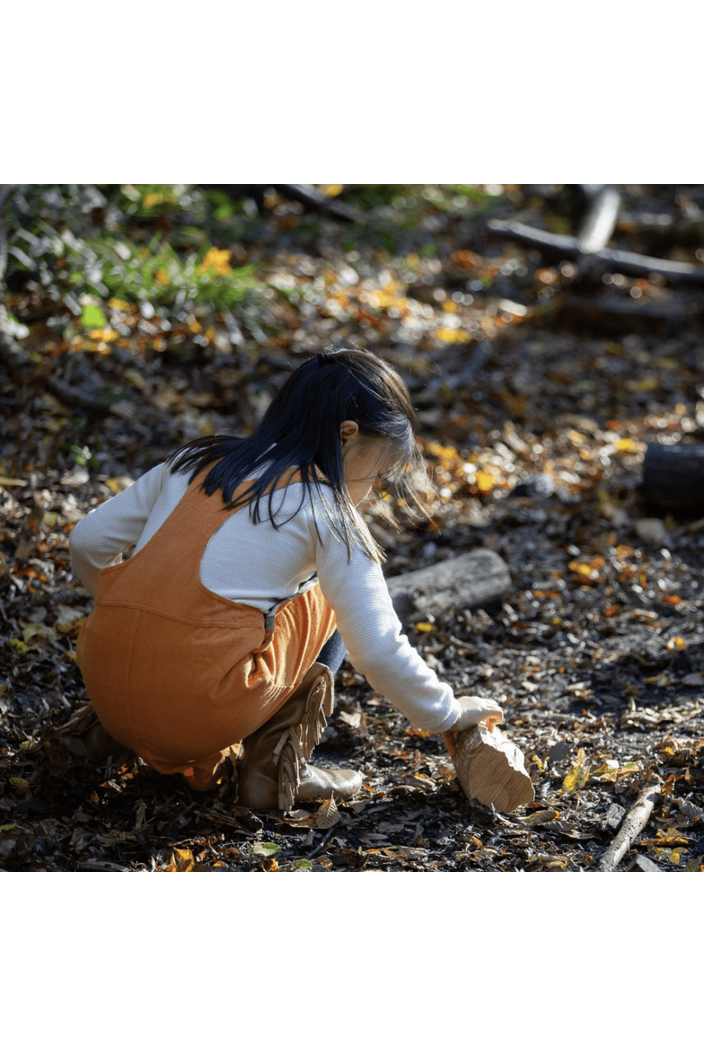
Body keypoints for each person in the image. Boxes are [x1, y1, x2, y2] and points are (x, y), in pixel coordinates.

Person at [69, 348, 503, 810]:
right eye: (376, 473)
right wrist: (448, 713)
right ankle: (274, 771)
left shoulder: (193, 461)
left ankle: (93, 735)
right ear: (347, 436)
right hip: (195, 709)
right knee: (328, 596)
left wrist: (142, 618)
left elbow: (87, 542)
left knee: (164, 591)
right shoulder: (327, 512)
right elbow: (376, 648)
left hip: (105, 683)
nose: (371, 490)